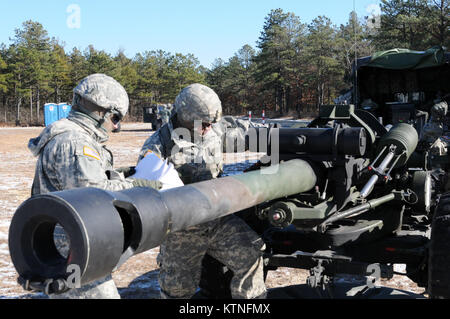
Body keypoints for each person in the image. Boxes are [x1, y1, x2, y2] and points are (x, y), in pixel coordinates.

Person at [28, 73, 161, 299]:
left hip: (73, 244)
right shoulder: (74, 142)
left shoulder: (73, 137)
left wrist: (120, 174)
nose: (116, 127)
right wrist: (136, 185)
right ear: (100, 112)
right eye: (116, 118)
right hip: (70, 247)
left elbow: (85, 180)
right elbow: (91, 196)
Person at [139, 83, 267, 299]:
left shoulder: (212, 131)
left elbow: (246, 131)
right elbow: (145, 190)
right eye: (204, 123)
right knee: (178, 291)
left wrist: (284, 134)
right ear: (186, 117)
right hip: (181, 229)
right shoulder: (158, 145)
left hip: (216, 219)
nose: (209, 128)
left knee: (252, 255)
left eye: (211, 123)